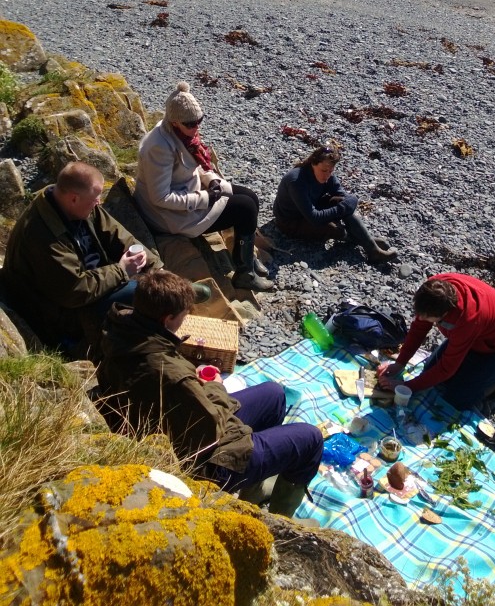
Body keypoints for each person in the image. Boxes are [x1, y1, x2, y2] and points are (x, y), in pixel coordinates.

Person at [98, 271, 323, 516]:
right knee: (310, 439)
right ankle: (281, 524)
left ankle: (253, 493)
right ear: (168, 318)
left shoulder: (123, 329)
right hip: (209, 462)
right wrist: (215, 385)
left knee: (274, 394)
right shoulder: (172, 375)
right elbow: (210, 431)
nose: (186, 318)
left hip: (177, 424)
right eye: (184, 315)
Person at [2, 161, 161, 350]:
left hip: (95, 282)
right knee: (140, 292)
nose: (99, 202)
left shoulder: (75, 203)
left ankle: (171, 297)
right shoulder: (41, 235)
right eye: (95, 198)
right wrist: (121, 270)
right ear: (74, 199)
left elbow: (117, 235)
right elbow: (74, 290)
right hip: (61, 312)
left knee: (153, 284)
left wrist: (157, 270)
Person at [134, 81, 273, 292]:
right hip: (168, 215)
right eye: (191, 124)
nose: (196, 127)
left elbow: (197, 166)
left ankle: (246, 260)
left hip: (190, 191)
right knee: (244, 208)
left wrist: (212, 180)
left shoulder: (183, 133)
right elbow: (160, 198)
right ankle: (244, 273)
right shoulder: (158, 148)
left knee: (251, 196)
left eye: (199, 121)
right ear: (174, 122)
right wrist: (206, 198)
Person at [376, 272, 495, 412]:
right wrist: (399, 363)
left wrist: (407, 386)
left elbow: (445, 369)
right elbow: (418, 330)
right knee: (431, 374)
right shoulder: (433, 290)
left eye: (427, 318)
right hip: (475, 336)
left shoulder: (467, 319)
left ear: (445, 314)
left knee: (456, 398)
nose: (421, 319)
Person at [273, 145, 397, 265]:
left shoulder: (328, 176)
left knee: (340, 202)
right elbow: (314, 218)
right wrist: (343, 207)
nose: (326, 175)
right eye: (323, 170)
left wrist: (345, 204)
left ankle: (371, 248)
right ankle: (369, 243)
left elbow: (348, 199)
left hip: (312, 207)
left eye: (330, 171)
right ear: (313, 164)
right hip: (290, 221)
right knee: (332, 228)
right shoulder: (297, 181)